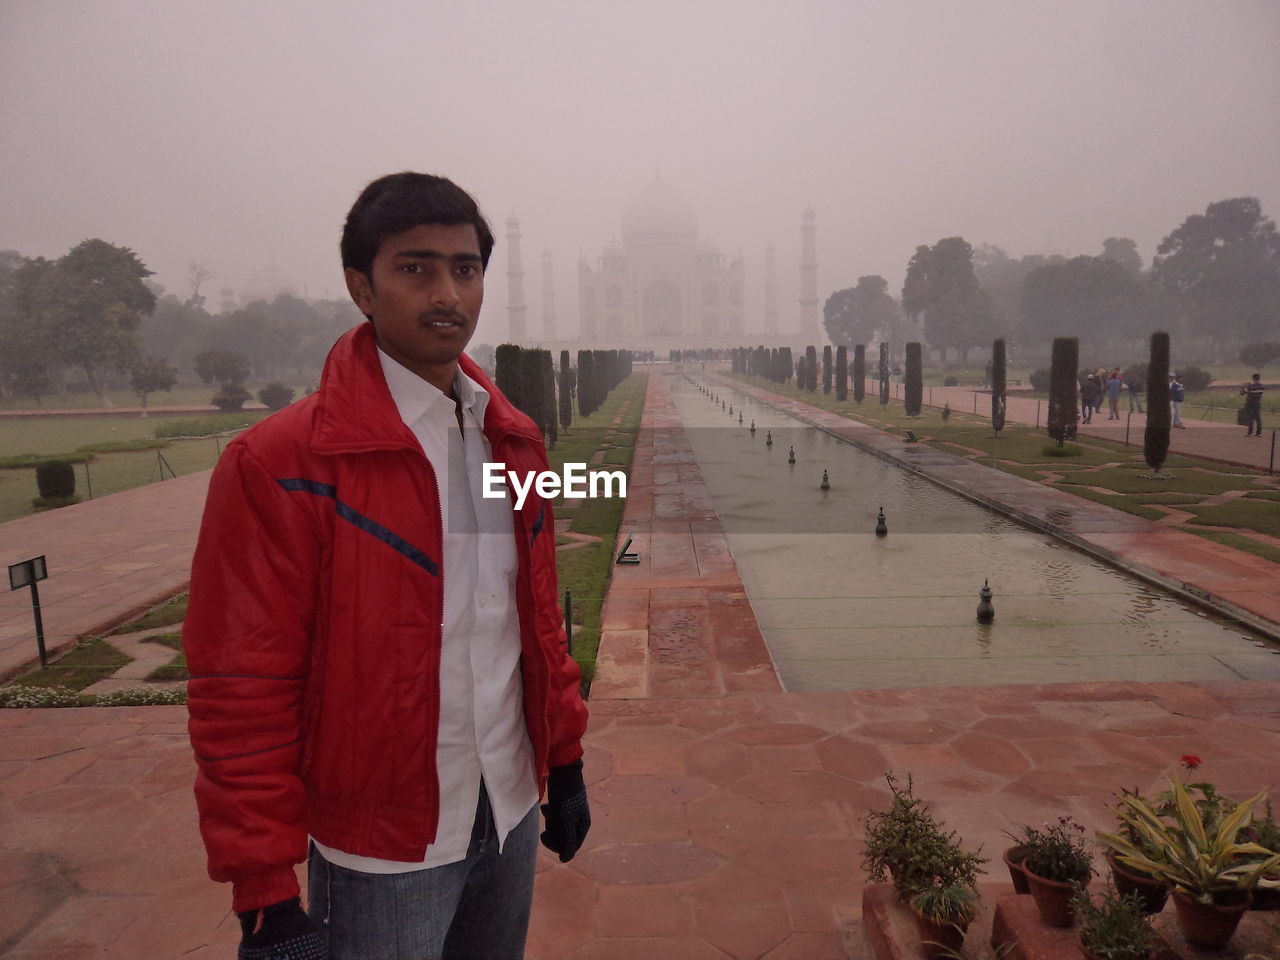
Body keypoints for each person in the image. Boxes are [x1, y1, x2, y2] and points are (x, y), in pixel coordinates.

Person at [184, 172, 591, 960]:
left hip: (504, 809)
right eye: (416, 267)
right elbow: (242, 683)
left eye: (465, 269)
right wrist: (263, 888)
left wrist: (564, 758)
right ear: (361, 287)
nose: (447, 292)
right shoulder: (281, 464)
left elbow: (532, 621)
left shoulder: (510, 440)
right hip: (381, 849)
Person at [1241, 372, 1265, 437]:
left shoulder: (1250, 386)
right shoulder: (1262, 387)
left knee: (1250, 418)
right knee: (1258, 418)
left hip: (1250, 404)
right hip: (1257, 403)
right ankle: (1258, 433)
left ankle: (1250, 433)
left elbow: (1242, 393)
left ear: (1253, 378)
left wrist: (1243, 386)